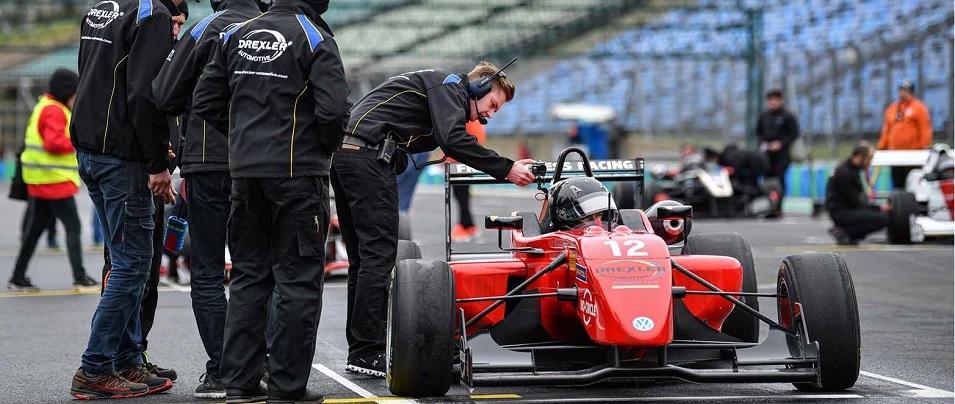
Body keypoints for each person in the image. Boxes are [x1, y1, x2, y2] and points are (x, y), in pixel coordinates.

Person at [332, 60, 535, 378]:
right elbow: (453, 138)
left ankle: (361, 350)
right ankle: (366, 352)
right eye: (492, 104)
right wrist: (506, 167)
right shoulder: (450, 88)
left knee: (362, 260)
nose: (490, 114)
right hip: (366, 161)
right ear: (479, 87)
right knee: (378, 257)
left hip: (347, 157)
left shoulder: (440, 89)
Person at [192, 0, 348, 401]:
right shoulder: (315, 37)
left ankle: (240, 384)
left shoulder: (234, 34)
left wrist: (246, 138)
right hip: (298, 175)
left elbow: (205, 100)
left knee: (248, 276)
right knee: (297, 281)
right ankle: (286, 387)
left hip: (245, 176)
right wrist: (320, 149)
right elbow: (333, 112)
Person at [152, 0, 264, 398]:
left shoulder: (204, 29)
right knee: (260, 268)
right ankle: (261, 364)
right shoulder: (283, 28)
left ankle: (222, 369)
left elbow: (163, 93)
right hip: (264, 163)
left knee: (207, 271)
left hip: (206, 162)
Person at [69, 0, 178, 400]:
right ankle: (95, 367)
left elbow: (90, 76)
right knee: (133, 264)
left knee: (122, 258)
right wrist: (156, 163)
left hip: (90, 147)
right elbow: (144, 95)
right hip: (121, 157)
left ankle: (128, 357)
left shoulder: (102, 7)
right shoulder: (153, 14)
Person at [7, 69, 98, 292]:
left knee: (34, 231)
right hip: (54, 182)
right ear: (66, 91)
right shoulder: (54, 111)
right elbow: (53, 143)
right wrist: (78, 140)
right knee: (73, 227)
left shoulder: (43, 106)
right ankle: (80, 276)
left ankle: (18, 276)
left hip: (41, 180)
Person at [825, 143, 889, 245]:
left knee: (877, 215)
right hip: (842, 212)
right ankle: (845, 231)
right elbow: (858, 201)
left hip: (844, 209)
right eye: (868, 159)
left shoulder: (849, 169)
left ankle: (847, 232)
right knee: (883, 219)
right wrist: (879, 208)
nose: (869, 163)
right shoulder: (845, 173)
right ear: (859, 156)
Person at [877, 80, 933, 189]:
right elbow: (886, 130)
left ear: (911, 92)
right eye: (901, 90)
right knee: (898, 181)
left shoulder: (919, 108)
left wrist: (924, 146)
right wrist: (882, 146)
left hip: (914, 154)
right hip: (896, 153)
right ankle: (899, 203)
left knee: (913, 181)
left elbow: (925, 128)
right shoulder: (892, 109)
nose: (902, 93)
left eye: (906, 91)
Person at [755, 89, 799, 211]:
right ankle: (768, 204)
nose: (772, 103)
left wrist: (781, 143)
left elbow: (794, 134)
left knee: (779, 178)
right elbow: (758, 133)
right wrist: (764, 143)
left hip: (782, 155)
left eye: (775, 100)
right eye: (770, 100)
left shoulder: (787, 116)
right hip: (767, 154)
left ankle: (778, 206)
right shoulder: (764, 116)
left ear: (780, 101)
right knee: (767, 178)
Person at [449, 120, 487, 241]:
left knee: (461, 195)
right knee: (462, 195)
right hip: (463, 158)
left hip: (460, 159)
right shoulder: (469, 116)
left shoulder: (465, 116)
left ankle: (465, 225)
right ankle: (468, 225)